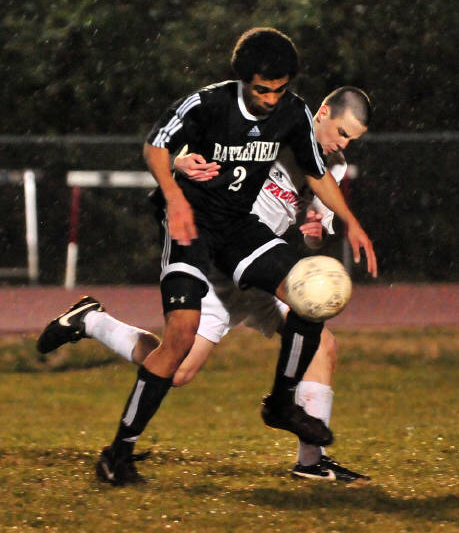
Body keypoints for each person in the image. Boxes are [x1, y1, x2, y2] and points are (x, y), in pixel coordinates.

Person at [38, 28, 377, 485]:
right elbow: (182, 145)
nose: (344, 144)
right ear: (323, 114)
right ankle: (93, 327)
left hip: (250, 253)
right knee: (177, 362)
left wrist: (325, 229)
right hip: (212, 252)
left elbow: (315, 227)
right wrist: (178, 171)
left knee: (315, 318)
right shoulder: (253, 117)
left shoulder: (317, 149)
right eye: (342, 132)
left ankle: (306, 450)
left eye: (354, 139)